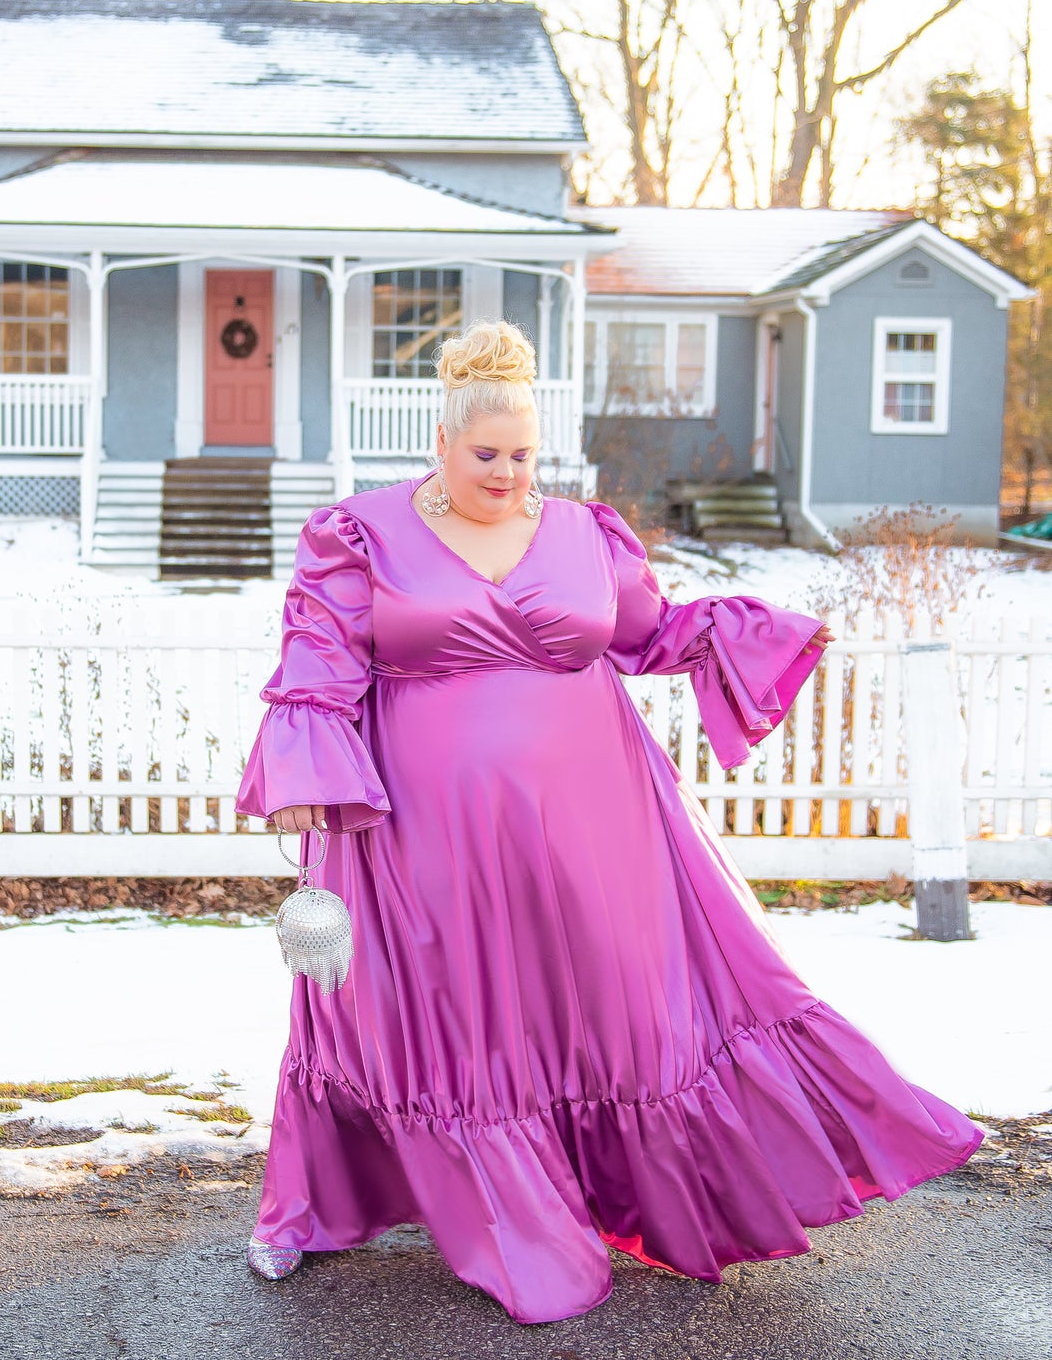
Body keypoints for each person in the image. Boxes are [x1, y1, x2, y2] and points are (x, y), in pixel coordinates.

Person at [234, 320, 983, 1325]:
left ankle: (600, 1188)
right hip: (421, 829)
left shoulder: (585, 532)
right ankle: (329, 1208)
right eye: (483, 453)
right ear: (441, 446)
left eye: (520, 455)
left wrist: (750, 629)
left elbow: (648, 632)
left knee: (608, 1004)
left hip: (596, 821)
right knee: (451, 1015)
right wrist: (303, 767)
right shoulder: (357, 532)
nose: (503, 472)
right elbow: (318, 658)